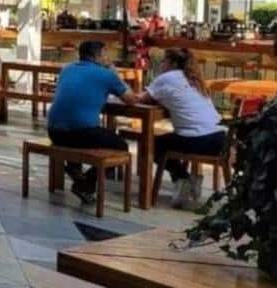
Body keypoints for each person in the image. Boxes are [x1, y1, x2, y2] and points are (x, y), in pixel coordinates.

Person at [47, 41, 138, 204]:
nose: (107, 57)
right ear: (98, 56)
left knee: (84, 131)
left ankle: (75, 169)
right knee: (121, 146)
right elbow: (131, 99)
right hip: (81, 133)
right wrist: (114, 73)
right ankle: (86, 184)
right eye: (105, 54)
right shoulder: (106, 75)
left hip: (54, 132)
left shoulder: (67, 69)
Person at [140, 48, 226, 208]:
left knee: (151, 143)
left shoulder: (167, 78)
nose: (161, 65)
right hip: (221, 139)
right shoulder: (194, 79)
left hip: (197, 140)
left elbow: (142, 100)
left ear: (172, 63)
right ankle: (190, 180)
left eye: (164, 61)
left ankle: (182, 178)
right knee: (170, 138)